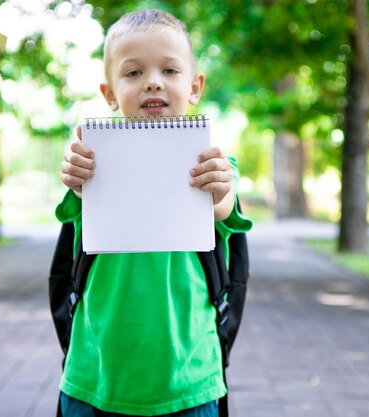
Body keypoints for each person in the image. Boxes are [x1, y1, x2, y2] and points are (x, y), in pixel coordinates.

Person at [56, 9, 252, 417]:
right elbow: (74, 202)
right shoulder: (92, 160)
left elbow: (223, 206)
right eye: (133, 73)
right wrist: (76, 178)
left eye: (169, 69)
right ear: (109, 93)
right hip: (95, 379)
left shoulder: (213, 161)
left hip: (188, 384)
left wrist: (220, 191)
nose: (152, 81)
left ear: (195, 86)